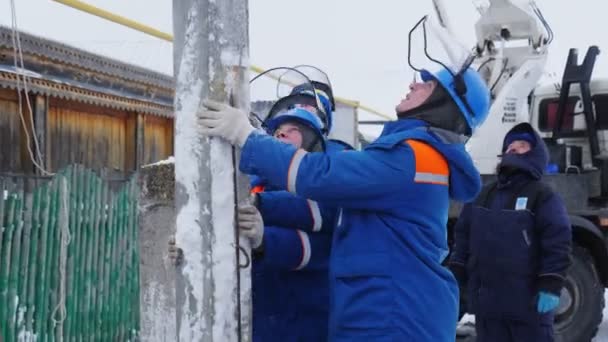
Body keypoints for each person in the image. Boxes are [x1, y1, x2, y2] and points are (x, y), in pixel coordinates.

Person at [197, 65, 491, 341]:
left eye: (427, 85)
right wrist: (260, 204)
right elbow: (328, 209)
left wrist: (245, 136)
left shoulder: (411, 157)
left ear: (444, 106)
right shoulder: (410, 157)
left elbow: (317, 177)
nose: (414, 84)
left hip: (392, 320)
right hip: (388, 314)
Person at [449, 122, 572, 342]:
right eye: (509, 146)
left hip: (528, 307)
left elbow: (557, 240)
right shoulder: (483, 194)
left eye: (521, 144)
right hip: (489, 309)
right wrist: (458, 269)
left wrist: (551, 282)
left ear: (535, 153)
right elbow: (463, 235)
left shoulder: (542, 195)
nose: (512, 149)